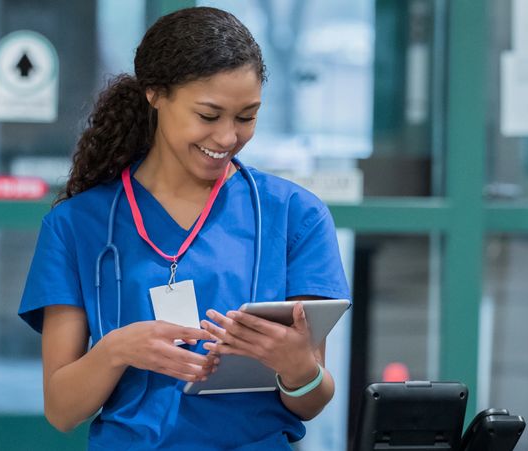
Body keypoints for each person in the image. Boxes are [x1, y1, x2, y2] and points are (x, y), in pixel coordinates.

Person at [18, 6, 350, 450]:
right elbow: (62, 410)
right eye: (209, 116)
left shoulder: (296, 215)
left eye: (246, 117)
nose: (228, 138)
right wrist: (118, 350)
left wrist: (298, 369)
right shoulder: (76, 225)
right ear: (156, 94)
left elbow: (312, 401)